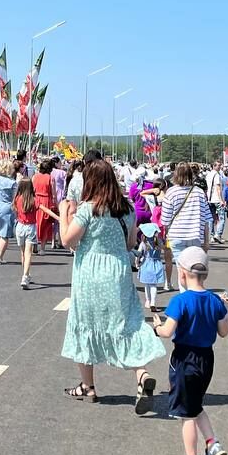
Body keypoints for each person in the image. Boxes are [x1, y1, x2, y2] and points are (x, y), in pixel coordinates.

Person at [60, 158, 166, 410]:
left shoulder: (87, 209)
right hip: (117, 271)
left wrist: (64, 214)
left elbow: (67, 240)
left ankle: (88, 386)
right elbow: (130, 244)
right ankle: (141, 374)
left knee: (85, 324)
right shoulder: (126, 210)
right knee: (127, 322)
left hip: (90, 273)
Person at [151, 247, 228, 455]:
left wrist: (157, 326)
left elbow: (167, 332)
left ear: (183, 273)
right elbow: (224, 331)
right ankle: (213, 444)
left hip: (184, 359)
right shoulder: (215, 301)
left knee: (186, 415)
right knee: (195, 405)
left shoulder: (180, 301)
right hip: (206, 359)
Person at [162, 163, 210, 275]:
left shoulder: (171, 192)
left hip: (177, 235)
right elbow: (206, 218)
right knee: (193, 270)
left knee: (182, 271)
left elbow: (165, 220)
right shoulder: (199, 192)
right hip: (196, 235)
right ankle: (192, 290)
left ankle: (185, 291)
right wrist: (207, 240)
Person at [13, 178, 44, 287]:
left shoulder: (17, 198)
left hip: (20, 227)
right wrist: (58, 217)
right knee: (28, 253)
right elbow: (44, 209)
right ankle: (25, 276)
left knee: (22, 253)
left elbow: (15, 212)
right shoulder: (34, 200)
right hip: (30, 227)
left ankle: (26, 273)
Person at [137, 223, 166, 311]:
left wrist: (137, 263)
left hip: (146, 264)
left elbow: (138, 254)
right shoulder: (159, 242)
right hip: (156, 263)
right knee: (154, 285)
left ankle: (148, 301)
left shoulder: (143, 243)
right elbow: (165, 248)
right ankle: (153, 302)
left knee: (147, 284)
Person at [32, 158, 57, 250]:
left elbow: (32, 190)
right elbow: (54, 194)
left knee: (35, 223)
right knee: (46, 225)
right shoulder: (50, 178)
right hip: (46, 201)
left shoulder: (35, 177)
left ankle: (34, 244)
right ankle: (42, 248)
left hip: (36, 200)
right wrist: (56, 205)